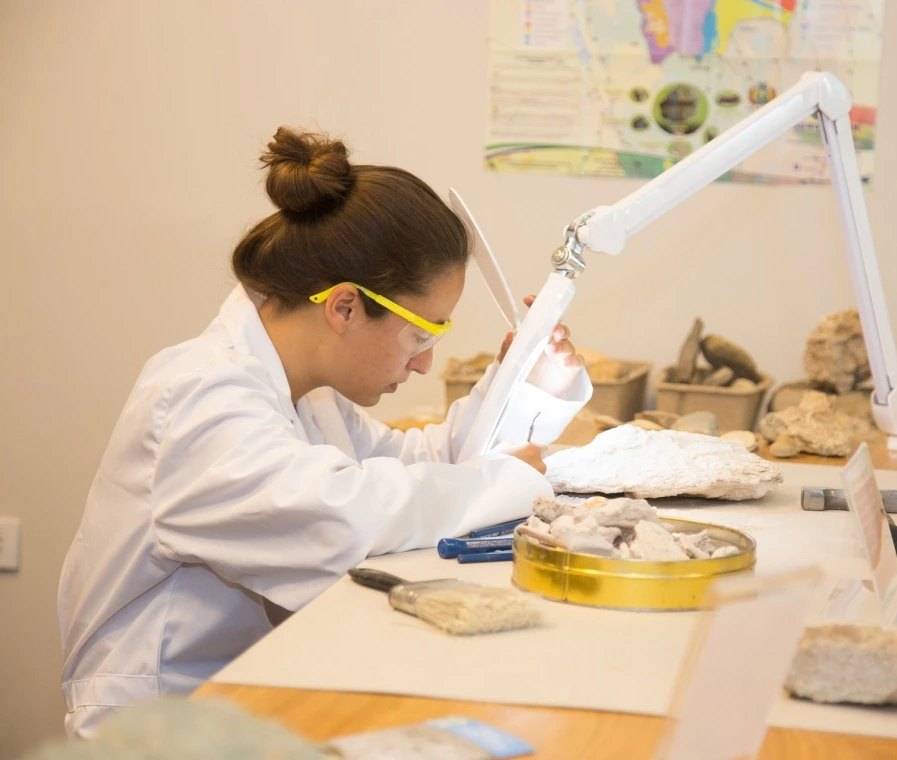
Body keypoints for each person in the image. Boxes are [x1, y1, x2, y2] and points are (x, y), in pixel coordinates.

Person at [57, 127, 591, 738]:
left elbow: (419, 464)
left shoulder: (304, 393)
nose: (425, 365)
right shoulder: (200, 400)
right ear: (342, 307)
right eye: (421, 337)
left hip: (248, 701)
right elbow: (347, 518)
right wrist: (512, 479)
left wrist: (526, 383)